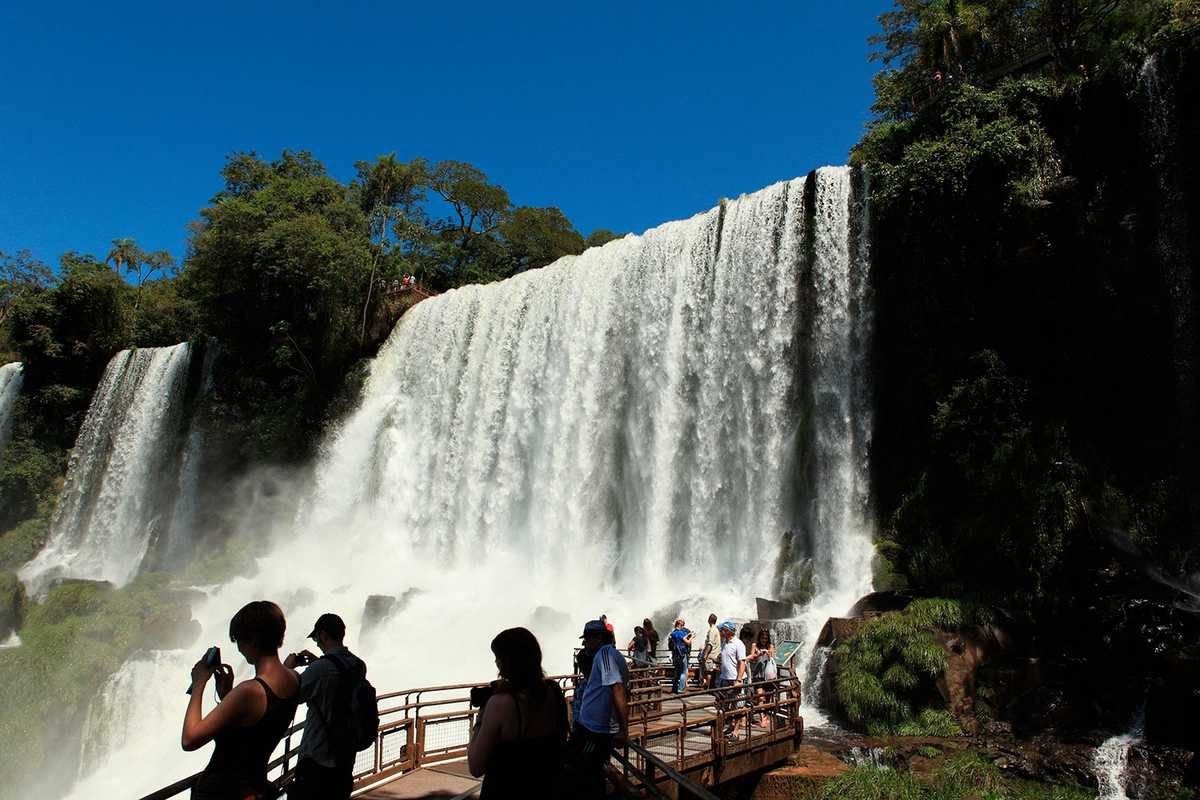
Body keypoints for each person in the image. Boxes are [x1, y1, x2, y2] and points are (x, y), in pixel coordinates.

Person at [183, 600, 300, 800]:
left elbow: (189, 739)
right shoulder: (295, 679)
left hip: (222, 792)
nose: (238, 648)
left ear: (253, 640)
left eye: (238, 640)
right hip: (256, 787)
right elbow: (254, 730)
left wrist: (199, 683)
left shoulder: (249, 692)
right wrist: (227, 695)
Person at [468, 627, 569, 798]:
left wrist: (480, 719)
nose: (496, 662)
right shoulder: (553, 691)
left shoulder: (501, 703)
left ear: (507, 662)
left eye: (498, 658)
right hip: (547, 787)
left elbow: (476, 767)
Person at [283, 613, 367, 800]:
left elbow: (287, 696)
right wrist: (319, 662)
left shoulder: (319, 670)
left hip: (317, 759)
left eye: (316, 638)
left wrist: (287, 669)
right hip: (345, 758)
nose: (317, 643)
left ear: (323, 635)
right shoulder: (358, 665)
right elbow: (338, 678)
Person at [568, 619, 630, 800]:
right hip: (591, 727)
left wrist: (623, 730)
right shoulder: (606, 655)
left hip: (595, 732)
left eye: (587, 639)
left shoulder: (605, 654)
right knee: (585, 768)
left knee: (587, 770)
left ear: (599, 638)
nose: (584, 644)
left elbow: (617, 687)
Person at [716, 620, 748, 740]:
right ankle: (730, 726)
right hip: (725, 679)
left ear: (728, 631)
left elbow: (742, 662)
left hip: (735, 680)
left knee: (738, 706)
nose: (721, 632)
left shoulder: (738, 644)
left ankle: (736, 732)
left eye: (722, 630)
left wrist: (739, 680)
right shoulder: (724, 643)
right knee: (726, 706)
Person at [748, 628, 777, 728]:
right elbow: (751, 659)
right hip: (757, 674)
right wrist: (757, 655)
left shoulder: (770, 646)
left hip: (768, 676)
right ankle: (761, 717)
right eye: (762, 638)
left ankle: (766, 716)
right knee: (760, 696)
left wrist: (769, 654)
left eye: (765, 638)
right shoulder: (754, 645)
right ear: (759, 637)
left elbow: (773, 659)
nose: (764, 640)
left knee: (768, 698)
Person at [668, 618, 693, 694]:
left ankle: (674, 688)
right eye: (682, 625)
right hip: (682, 654)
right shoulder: (681, 633)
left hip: (675, 655)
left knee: (677, 672)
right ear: (680, 625)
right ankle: (681, 689)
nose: (683, 627)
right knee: (683, 672)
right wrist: (692, 636)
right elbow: (688, 642)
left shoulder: (672, 633)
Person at [700, 614, 720, 689]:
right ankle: (710, 687)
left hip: (711, 655)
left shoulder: (712, 630)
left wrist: (705, 654)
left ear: (709, 620)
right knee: (711, 672)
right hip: (715, 654)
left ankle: (708, 688)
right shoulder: (716, 629)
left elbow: (710, 644)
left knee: (708, 672)